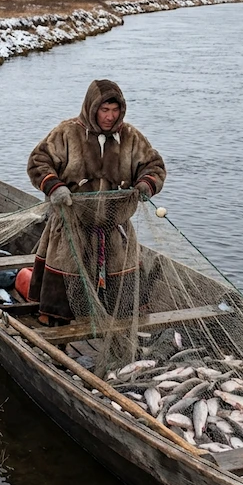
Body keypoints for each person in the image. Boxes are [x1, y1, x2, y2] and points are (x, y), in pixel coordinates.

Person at [26, 79, 166, 325]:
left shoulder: (131, 137)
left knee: (123, 301)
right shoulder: (67, 133)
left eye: (115, 110)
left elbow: (154, 166)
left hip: (115, 228)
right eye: (104, 110)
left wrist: (146, 184)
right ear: (92, 108)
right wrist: (54, 186)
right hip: (71, 226)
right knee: (62, 299)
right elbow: (39, 161)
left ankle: (120, 336)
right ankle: (56, 334)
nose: (110, 117)